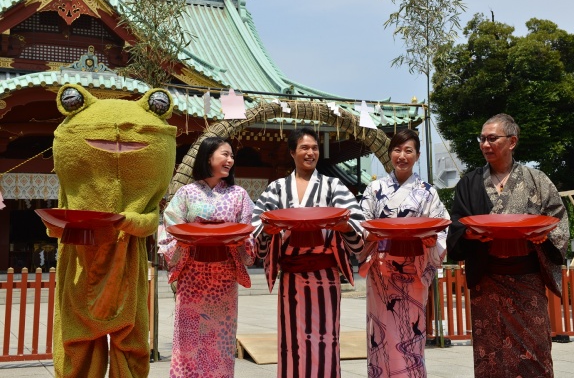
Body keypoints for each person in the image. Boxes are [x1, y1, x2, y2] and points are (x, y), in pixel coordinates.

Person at [447, 113, 570, 377]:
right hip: (488, 278)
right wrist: (468, 235)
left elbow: (557, 218)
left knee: (534, 352)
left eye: (492, 138)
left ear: (512, 141)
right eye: (482, 139)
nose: (485, 144)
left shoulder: (536, 179)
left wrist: (544, 237)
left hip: (527, 279)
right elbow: (456, 223)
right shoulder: (469, 183)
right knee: (490, 353)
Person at [251, 127, 365, 378]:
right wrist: (268, 230)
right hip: (291, 275)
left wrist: (344, 225)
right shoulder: (277, 189)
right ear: (292, 152)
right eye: (304, 147)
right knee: (292, 342)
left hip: (325, 275)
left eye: (314, 148)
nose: (310, 152)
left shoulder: (333, 186)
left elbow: (357, 222)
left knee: (326, 339)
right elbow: (256, 225)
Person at [158, 136, 255, 378]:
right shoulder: (186, 193)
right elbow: (170, 228)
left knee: (220, 343)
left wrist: (238, 241)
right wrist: (187, 241)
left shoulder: (239, 194)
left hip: (223, 279)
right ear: (208, 156)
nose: (230, 160)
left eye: (232, 156)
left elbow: (248, 233)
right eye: (225, 154)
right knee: (187, 342)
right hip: (192, 277)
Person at [359, 128, 449, 378]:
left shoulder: (428, 192)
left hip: (414, 271)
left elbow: (441, 227)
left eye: (408, 151)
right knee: (381, 334)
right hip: (381, 272)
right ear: (389, 154)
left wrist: (432, 240)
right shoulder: (375, 188)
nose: (402, 155)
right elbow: (362, 224)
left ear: (417, 155)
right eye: (397, 150)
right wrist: (371, 235)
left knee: (411, 333)